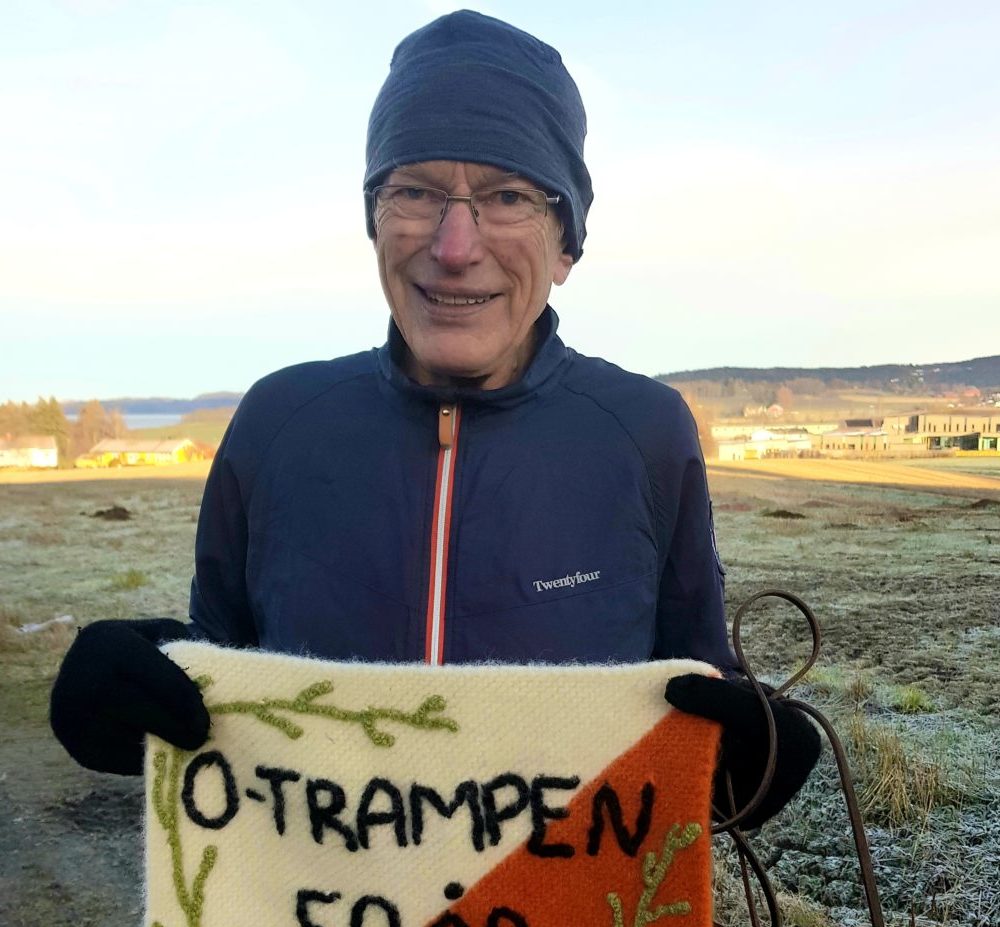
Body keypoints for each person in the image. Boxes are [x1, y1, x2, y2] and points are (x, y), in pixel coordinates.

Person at [50, 10, 819, 827]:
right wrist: (129, 701)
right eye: (414, 191)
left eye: (507, 196)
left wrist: (753, 761)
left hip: (557, 910)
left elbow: (697, 689)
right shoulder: (277, 423)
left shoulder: (644, 433)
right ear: (375, 221)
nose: (455, 247)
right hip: (321, 908)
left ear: (566, 244)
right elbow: (218, 686)